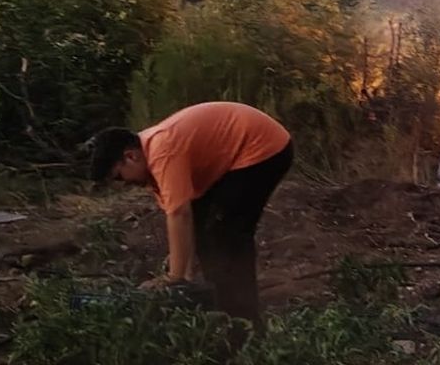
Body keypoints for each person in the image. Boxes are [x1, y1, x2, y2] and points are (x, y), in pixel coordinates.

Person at [87, 101, 294, 327]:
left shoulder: (161, 151)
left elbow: (179, 214)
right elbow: (187, 221)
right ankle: (223, 308)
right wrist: (182, 275)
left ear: (131, 156)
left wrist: (173, 279)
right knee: (207, 234)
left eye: (119, 176)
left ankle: (244, 322)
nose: (123, 184)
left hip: (263, 146)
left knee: (226, 235)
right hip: (234, 156)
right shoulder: (152, 164)